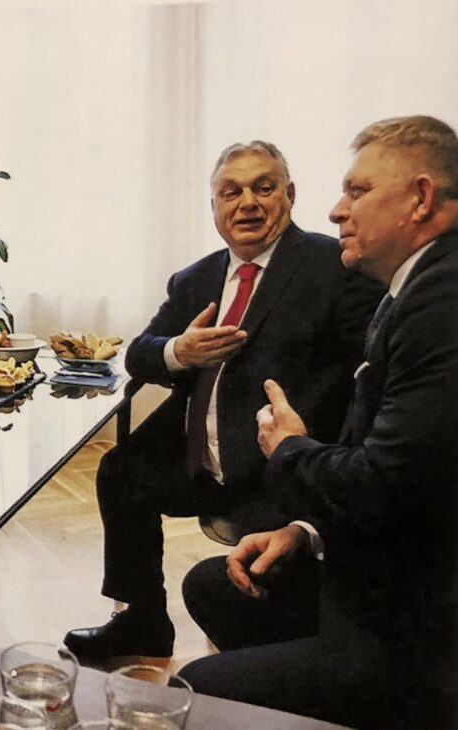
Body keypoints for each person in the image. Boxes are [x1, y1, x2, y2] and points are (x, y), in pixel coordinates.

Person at [179, 115, 458, 729]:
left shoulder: (441, 304)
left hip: (414, 623)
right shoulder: (413, 287)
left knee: (193, 692)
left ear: (420, 199)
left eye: (358, 191)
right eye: (230, 191)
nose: (338, 211)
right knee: (212, 584)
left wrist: (290, 447)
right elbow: (412, 475)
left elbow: (385, 481)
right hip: (379, 565)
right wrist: (306, 532)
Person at [63, 141, 384, 662]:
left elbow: (366, 381)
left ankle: (267, 662)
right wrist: (179, 351)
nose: (247, 203)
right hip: (197, 457)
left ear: (290, 195)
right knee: (122, 472)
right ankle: (143, 622)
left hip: (276, 467)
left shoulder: (335, 267)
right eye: (230, 192)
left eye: (264, 187)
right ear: (214, 206)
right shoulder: (195, 279)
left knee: (250, 609)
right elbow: (140, 354)